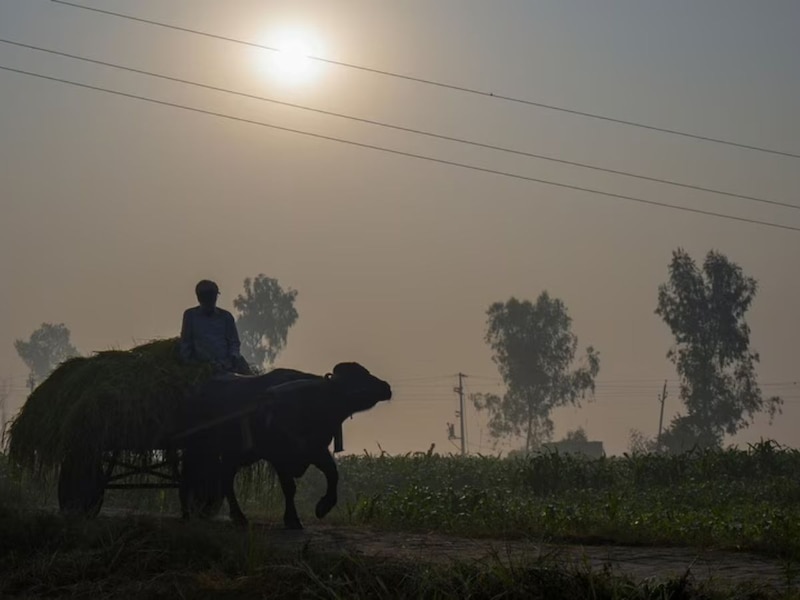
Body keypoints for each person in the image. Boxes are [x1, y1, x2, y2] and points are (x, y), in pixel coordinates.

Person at [179, 280, 252, 375]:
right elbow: (186, 343)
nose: (210, 301)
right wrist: (192, 364)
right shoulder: (191, 316)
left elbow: (234, 342)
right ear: (199, 298)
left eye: (212, 297)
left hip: (227, 366)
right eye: (207, 298)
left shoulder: (226, 317)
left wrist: (233, 357)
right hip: (202, 369)